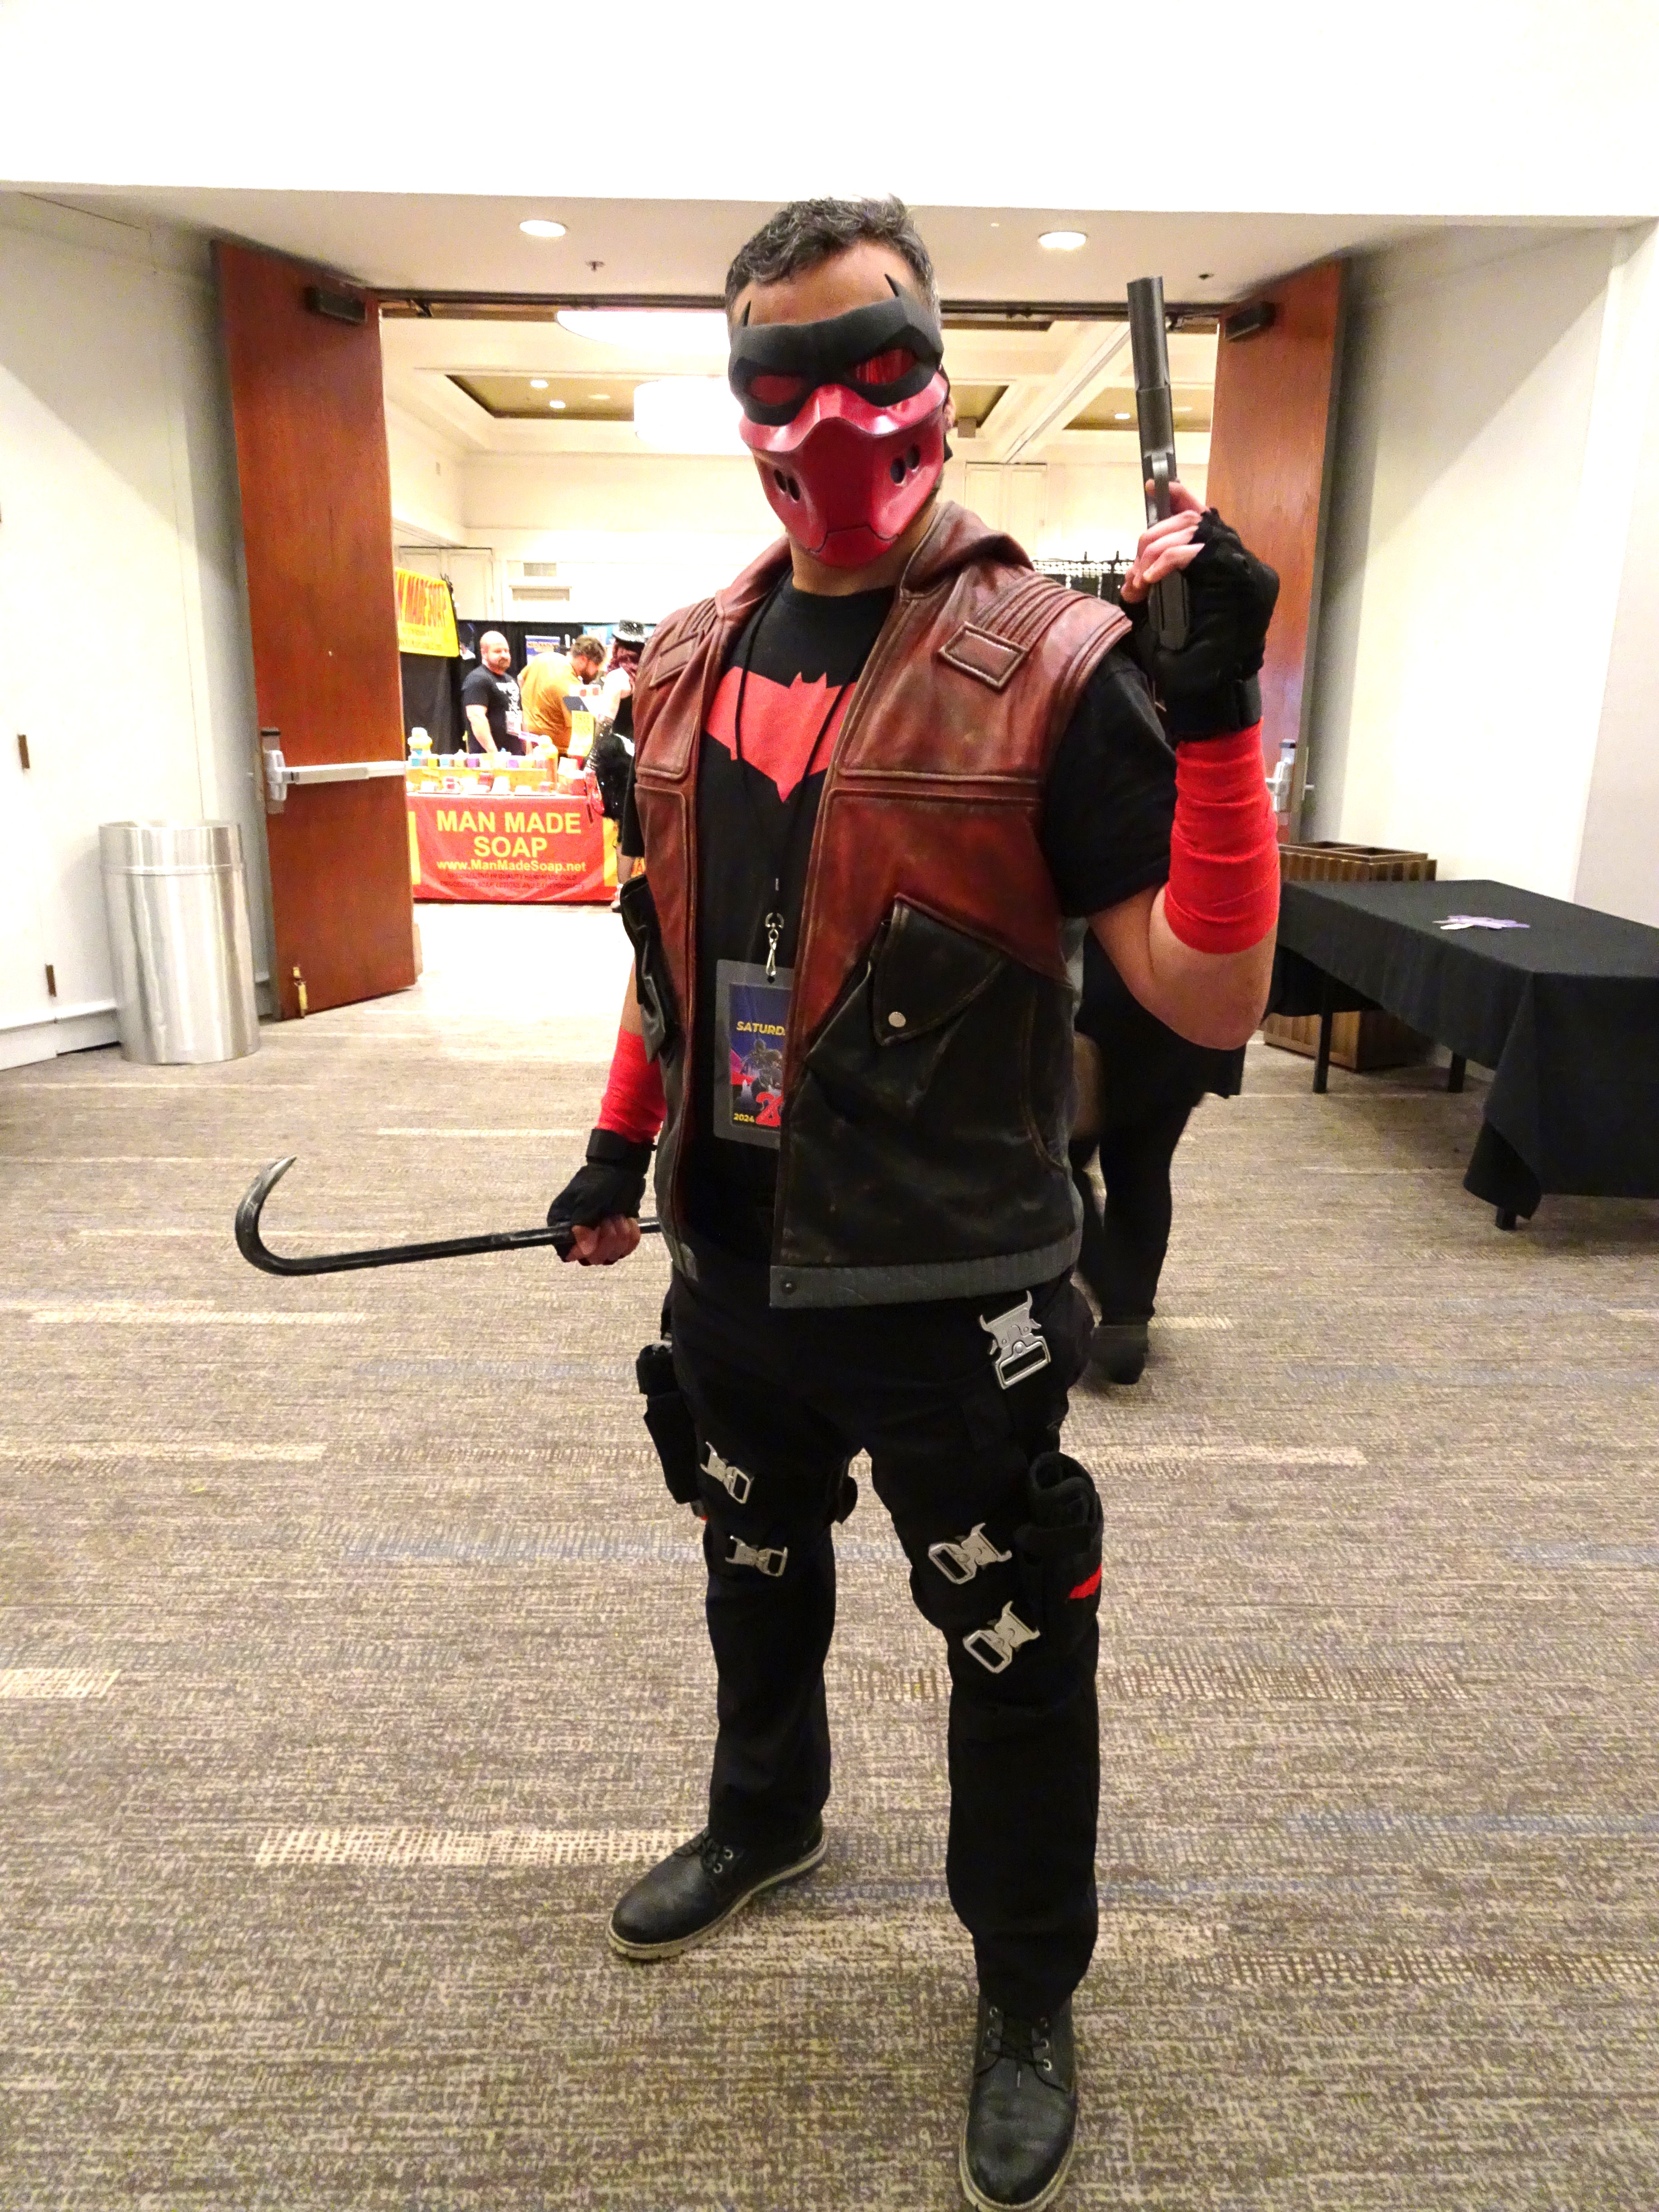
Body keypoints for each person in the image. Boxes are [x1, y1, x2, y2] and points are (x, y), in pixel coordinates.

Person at [545, 196, 1279, 2212]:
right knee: (750, 1558)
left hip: (954, 1279)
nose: (832, 424)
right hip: (734, 1258)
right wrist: (617, 1147)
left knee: (1010, 1632)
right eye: (782, 383)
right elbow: (672, 956)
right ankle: (763, 1816)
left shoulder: (1052, 666)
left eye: (873, 369)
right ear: (738, 404)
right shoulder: (681, 663)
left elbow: (1206, 995)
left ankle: (1025, 1987)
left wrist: (1218, 726)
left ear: (936, 375)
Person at [1069, 933, 1246, 1384]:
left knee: (1056, 1164)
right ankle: (1126, 1318)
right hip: (1200, 996)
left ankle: (1111, 1294)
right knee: (1143, 1164)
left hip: (1107, 1001)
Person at [519, 633, 606, 754]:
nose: (597, 671)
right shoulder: (571, 686)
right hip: (555, 753)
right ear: (583, 659)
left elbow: (521, 679)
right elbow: (582, 732)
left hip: (528, 743)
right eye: (595, 666)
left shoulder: (544, 658)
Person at [461, 631, 524, 757]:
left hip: (515, 757)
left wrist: (528, 750)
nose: (504, 655)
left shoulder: (511, 680)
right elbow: (476, 717)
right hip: (489, 759)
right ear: (484, 653)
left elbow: (521, 715)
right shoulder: (478, 679)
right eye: (498, 651)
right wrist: (494, 754)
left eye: (507, 651)